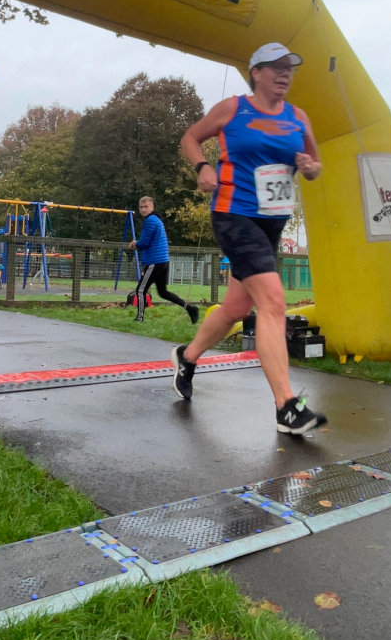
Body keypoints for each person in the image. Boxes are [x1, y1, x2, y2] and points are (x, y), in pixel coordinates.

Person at [172, 42, 326, 436]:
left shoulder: (298, 117)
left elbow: (313, 165)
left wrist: (309, 167)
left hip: (271, 223)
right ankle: (287, 407)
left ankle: (187, 358)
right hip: (233, 214)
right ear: (256, 72)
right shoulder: (234, 108)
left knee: (236, 309)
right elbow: (190, 138)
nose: (285, 74)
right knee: (274, 302)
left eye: (290, 67)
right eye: (275, 67)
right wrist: (203, 166)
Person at [128, 196, 198, 323]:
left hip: (154, 262)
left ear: (152, 207)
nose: (143, 210)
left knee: (140, 290)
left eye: (146, 207)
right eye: (141, 207)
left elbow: (144, 242)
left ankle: (139, 318)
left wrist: (135, 244)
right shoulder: (157, 220)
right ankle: (191, 309)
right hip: (163, 261)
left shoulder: (150, 221)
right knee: (163, 292)